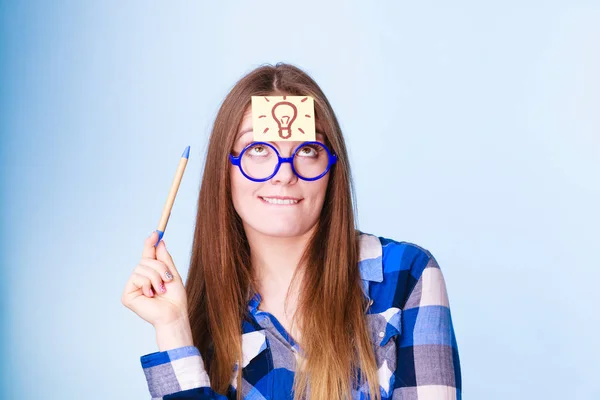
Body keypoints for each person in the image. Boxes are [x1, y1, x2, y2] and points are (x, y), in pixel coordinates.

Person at [121, 63, 462, 400]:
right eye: (258, 149)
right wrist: (174, 330)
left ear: (331, 168)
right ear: (224, 170)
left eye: (308, 150)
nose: (284, 173)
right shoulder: (203, 314)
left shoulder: (407, 275)